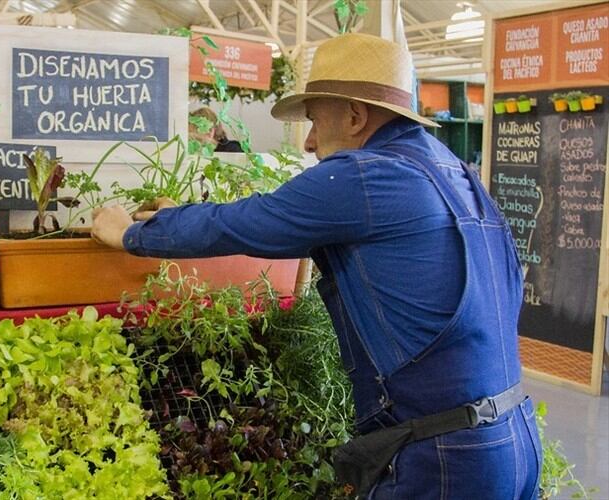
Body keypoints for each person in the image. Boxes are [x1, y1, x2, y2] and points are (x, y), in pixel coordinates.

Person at [92, 33, 540, 499]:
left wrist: (130, 234)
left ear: (355, 115)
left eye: (313, 120)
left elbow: (247, 223)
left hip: (447, 460)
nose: (307, 142)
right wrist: (178, 214)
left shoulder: (368, 174)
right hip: (513, 437)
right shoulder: (453, 172)